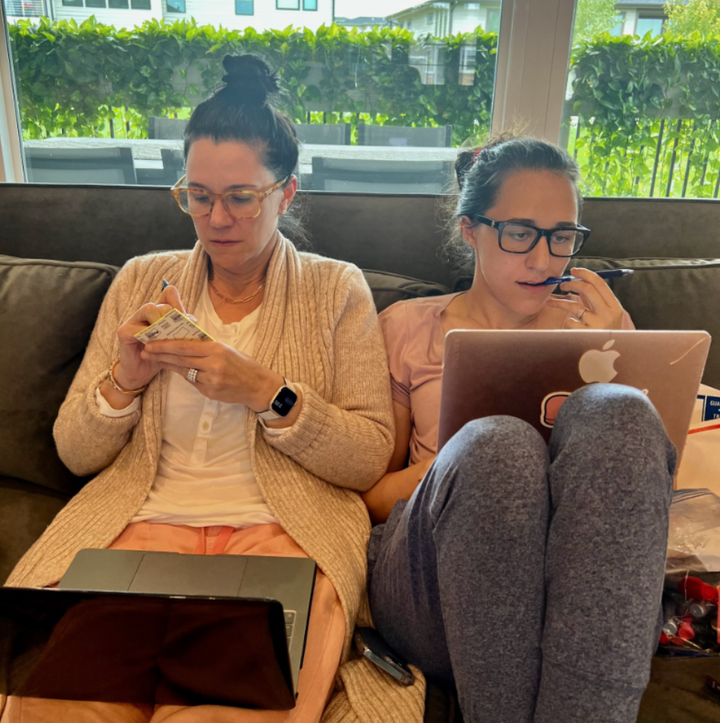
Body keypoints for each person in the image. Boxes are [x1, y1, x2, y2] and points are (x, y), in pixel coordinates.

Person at [0, 55, 425, 723]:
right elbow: (75, 451)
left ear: (285, 193)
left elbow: (369, 454)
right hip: (139, 534)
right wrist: (125, 381)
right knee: (58, 709)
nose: (216, 217)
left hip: (277, 538)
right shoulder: (144, 278)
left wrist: (268, 392)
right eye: (198, 195)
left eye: (239, 197)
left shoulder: (335, 288)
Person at [363, 137, 677, 723]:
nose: (543, 259)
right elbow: (372, 499)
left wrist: (626, 349)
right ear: (470, 230)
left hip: (583, 589)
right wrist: (459, 459)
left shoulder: (602, 328)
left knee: (620, 413)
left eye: (563, 235)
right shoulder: (405, 328)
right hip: (433, 584)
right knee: (498, 447)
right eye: (519, 233)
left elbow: (643, 486)